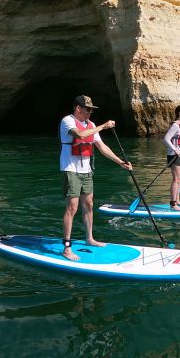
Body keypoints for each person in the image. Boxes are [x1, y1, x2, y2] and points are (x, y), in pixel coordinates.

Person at [59, 95, 132, 261]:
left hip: (87, 170)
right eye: (88, 109)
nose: (90, 112)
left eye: (92, 110)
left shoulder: (91, 125)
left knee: (89, 204)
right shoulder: (67, 121)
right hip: (71, 169)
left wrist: (120, 162)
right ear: (78, 108)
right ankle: (67, 247)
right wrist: (104, 126)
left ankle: (89, 238)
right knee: (72, 207)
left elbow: (102, 147)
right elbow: (80, 135)